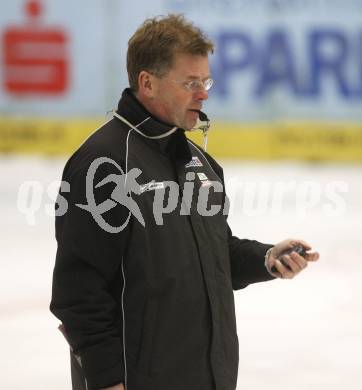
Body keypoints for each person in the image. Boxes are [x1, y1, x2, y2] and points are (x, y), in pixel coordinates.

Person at [50, 14, 319, 390]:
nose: (204, 93)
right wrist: (108, 379)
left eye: (205, 81)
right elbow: (78, 291)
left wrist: (266, 258)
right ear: (148, 83)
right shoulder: (105, 164)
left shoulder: (202, 165)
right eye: (190, 82)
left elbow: (213, 253)